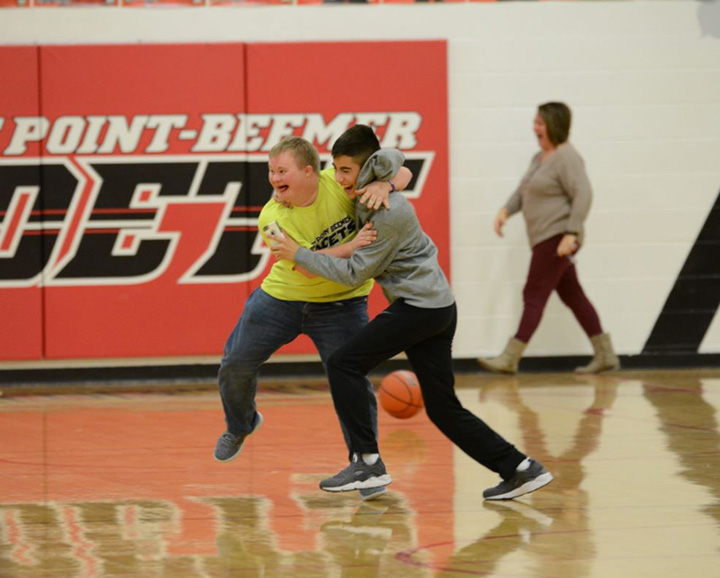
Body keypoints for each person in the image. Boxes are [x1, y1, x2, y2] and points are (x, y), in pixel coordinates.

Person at [271, 124, 553, 500]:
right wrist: (384, 181)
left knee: (343, 363)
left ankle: (367, 463)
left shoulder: (386, 211)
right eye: (335, 169)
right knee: (443, 408)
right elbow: (395, 159)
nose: (337, 179)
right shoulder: (376, 184)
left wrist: (299, 255)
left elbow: (354, 272)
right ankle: (519, 468)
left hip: (420, 309)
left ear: (366, 167)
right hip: (437, 306)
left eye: (345, 171)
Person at [214, 137, 411, 503]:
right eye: (271, 172)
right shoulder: (272, 217)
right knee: (235, 364)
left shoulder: (337, 183)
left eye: (282, 171)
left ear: (310, 172)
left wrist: (385, 183)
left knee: (350, 381)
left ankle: (366, 463)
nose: (274, 179)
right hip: (281, 298)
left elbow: (403, 170)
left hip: (343, 302)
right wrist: (351, 246)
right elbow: (306, 269)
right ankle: (241, 424)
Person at [478, 102, 620, 375]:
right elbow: (523, 191)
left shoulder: (567, 158)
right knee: (573, 295)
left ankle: (510, 357)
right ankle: (606, 354)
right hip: (546, 238)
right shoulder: (538, 158)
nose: (535, 128)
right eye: (535, 122)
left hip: (556, 237)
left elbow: (584, 194)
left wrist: (572, 232)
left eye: (540, 123)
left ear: (554, 124)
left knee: (533, 293)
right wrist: (506, 209)